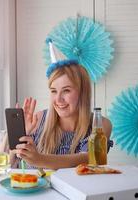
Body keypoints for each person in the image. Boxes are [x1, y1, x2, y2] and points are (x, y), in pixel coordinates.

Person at [7, 39, 113, 170]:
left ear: (82, 92)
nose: (58, 99)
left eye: (66, 90)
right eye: (53, 91)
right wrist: (15, 136)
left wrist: (39, 159)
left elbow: (89, 159)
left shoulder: (100, 125)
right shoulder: (38, 120)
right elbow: (6, 164)